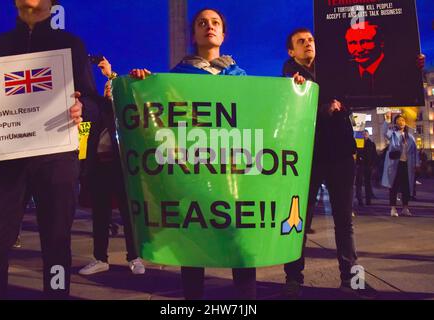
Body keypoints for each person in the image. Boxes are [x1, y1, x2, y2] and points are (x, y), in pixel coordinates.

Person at [128, 8, 256, 300]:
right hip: (194, 174)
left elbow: (258, 116)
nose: (208, 27)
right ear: (194, 34)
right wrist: (144, 84)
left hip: (233, 174)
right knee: (193, 242)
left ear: (223, 34)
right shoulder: (177, 77)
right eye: (202, 23)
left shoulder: (242, 77)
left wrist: (294, 90)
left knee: (241, 244)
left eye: (215, 23)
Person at [0, 0, 96, 299]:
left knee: (56, 242)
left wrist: (81, 108)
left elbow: (95, 104)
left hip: (56, 158)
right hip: (3, 161)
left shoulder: (70, 45)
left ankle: (56, 296)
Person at [282, 28, 376, 299]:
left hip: (341, 155)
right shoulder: (289, 78)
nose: (308, 43)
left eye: (311, 39)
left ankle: (352, 279)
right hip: (307, 158)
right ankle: (293, 279)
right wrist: (321, 108)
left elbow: (368, 88)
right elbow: (288, 115)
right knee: (299, 221)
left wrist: (406, 64)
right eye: (301, 42)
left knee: (345, 222)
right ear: (292, 52)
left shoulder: (335, 71)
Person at [78, 57, 145, 276]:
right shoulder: (98, 109)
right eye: (107, 87)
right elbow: (88, 100)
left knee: (128, 216)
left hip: (122, 169)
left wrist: (111, 75)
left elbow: (131, 97)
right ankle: (100, 258)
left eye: (112, 88)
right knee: (100, 216)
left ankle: (134, 257)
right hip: (99, 169)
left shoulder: (125, 110)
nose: (109, 89)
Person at [343, 21, 425, 106]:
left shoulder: (402, 68)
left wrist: (416, 67)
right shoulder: (345, 73)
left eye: (365, 42)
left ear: (381, 43)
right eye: (352, 43)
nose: (359, 49)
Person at [382, 113, 418, 217]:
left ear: (405, 123)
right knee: (394, 186)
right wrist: (387, 120)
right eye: (398, 120)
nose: (401, 122)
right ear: (395, 123)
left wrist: (417, 163)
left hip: (407, 165)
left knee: (406, 187)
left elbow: (415, 151)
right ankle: (393, 208)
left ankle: (405, 208)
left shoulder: (410, 137)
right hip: (394, 165)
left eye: (402, 120)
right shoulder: (392, 134)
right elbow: (384, 132)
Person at [355, 129, 377, 206]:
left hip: (368, 166)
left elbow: (374, 155)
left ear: (368, 135)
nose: (364, 135)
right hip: (360, 166)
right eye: (363, 134)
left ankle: (368, 200)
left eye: (366, 134)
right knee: (359, 183)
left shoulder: (371, 144)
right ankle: (360, 200)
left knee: (368, 183)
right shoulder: (358, 143)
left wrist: (373, 165)